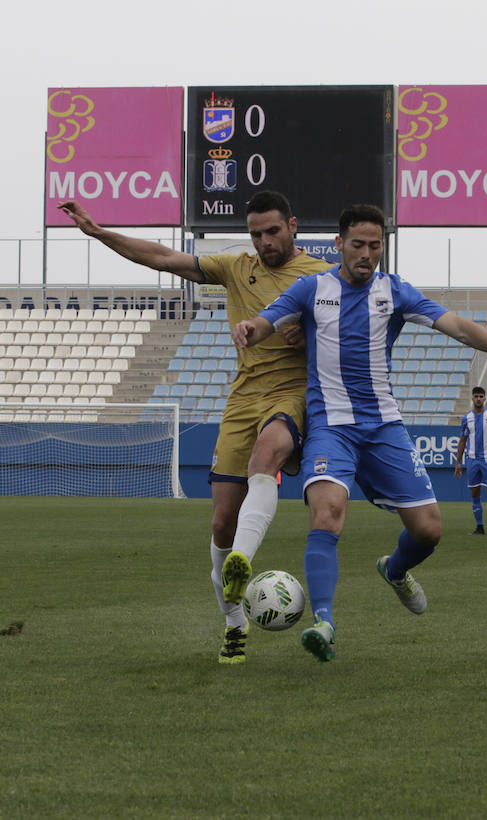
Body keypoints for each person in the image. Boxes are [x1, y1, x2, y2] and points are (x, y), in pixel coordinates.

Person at [232, 204, 487, 662]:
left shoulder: (395, 292)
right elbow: (269, 319)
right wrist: (252, 328)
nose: (367, 254)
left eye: (375, 246)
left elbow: (459, 327)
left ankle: (396, 569)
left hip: (384, 428)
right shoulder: (312, 288)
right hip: (330, 429)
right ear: (339, 244)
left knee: (429, 531)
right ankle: (324, 622)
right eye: (358, 244)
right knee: (327, 513)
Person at [57, 191, 330, 665]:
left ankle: (243, 562)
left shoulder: (321, 279)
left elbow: (348, 343)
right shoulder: (234, 267)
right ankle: (234, 623)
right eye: (256, 234)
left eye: (272, 231)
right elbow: (164, 257)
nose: (265, 242)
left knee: (268, 452)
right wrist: (99, 233)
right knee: (222, 522)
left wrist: (308, 337)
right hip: (242, 397)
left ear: (293, 225)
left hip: (292, 394)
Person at [454, 387, 487, 535]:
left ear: (485, 398)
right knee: (475, 493)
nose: (478, 399)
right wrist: (458, 462)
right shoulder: (467, 418)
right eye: (476, 396)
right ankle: (480, 527)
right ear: (472, 398)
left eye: (481, 396)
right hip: (472, 461)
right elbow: (462, 441)